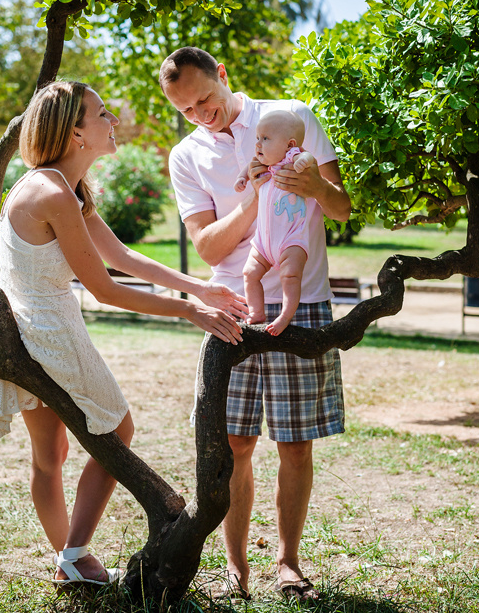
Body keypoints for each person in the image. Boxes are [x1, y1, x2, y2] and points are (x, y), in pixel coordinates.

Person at [0, 80, 248, 588]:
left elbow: (121, 257)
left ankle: (71, 560)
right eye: (102, 114)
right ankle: (73, 556)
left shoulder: (60, 187)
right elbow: (105, 288)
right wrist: (188, 311)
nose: (112, 119)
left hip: (30, 330)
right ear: (76, 132)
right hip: (48, 332)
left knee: (50, 457)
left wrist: (198, 288)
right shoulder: (51, 192)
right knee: (117, 431)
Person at [159, 47, 351, 603]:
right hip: (233, 311)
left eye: (206, 99)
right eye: (187, 109)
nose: (201, 114)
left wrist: (312, 186)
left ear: (224, 75)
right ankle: (236, 566)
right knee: (235, 444)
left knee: (295, 444)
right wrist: (255, 195)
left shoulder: (292, 116)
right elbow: (207, 244)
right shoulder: (186, 156)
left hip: (304, 302)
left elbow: (340, 208)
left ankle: (289, 563)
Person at [235, 110, 319, 336]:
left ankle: (285, 315)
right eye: (257, 138)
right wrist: (243, 178)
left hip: (291, 240)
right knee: (249, 273)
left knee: (290, 276)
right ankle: (256, 312)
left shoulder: (293, 158)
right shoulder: (262, 163)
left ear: (289, 144)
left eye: (265, 138)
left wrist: (302, 160)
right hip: (262, 242)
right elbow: (250, 165)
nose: (258, 144)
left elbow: (309, 158)